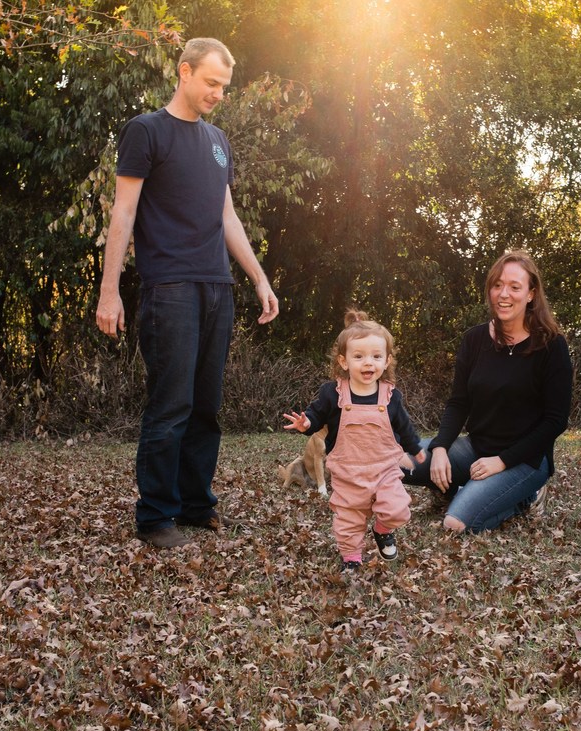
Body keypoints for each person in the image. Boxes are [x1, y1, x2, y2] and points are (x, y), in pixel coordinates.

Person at [95, 38, 279, 549]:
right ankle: (156, 517)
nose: (218, 93)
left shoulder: (218, 140)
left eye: (225, 86)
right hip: (169, 287)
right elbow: (123, 213)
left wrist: (259, 278)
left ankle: (197, 506)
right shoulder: (146, 131)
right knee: (171, 404)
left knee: (206, 406)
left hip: (217, 285)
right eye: (211, 82)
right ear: (184, 71)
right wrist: (109, 291)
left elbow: (227, 216)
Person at [403, 249, 572, 533]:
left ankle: (526, 498)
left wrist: (502, 462)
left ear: (531, 294)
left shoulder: (552, 346)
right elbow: (459, 402)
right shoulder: (474, 339)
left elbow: (555, 421)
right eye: (497, 285)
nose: (504, 294)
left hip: (525, 460)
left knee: (455, 524)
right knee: (394, 463)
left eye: (515, 287)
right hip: (475, 448)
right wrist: (441, 447)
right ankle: (455, 487)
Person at [283, 311, 426, 573]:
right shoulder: (332, 393)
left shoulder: (391, 396)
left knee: (397, 508)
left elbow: (403, 425)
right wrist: (306, 424)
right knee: (349, 520)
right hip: (348, 471)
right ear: (344, 361)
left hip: (384, 469)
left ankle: (382, 529)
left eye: (376, 356)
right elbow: (316, 414)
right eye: (359, 356)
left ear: (387, 360)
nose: (368, 362)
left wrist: (415, 447)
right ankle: (351, 558)